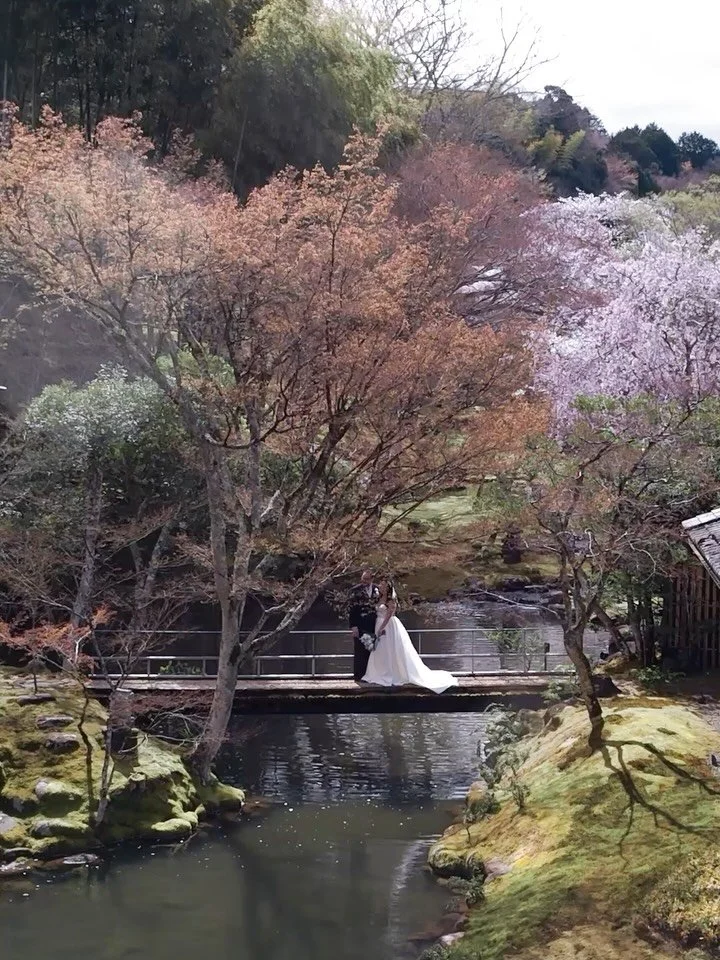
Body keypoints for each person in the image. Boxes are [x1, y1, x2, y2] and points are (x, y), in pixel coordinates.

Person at [363, 579, 458, 694]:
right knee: (379, 649)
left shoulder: (390, 600)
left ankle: (393, 673)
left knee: (389, 648)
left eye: (383, 585)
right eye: (380, 585)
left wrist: (382, 627)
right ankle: (379, 672)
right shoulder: (378, 598)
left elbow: (389, 615)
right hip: (378, 624)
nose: (380, 586)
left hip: (388, 626)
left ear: (388, 588)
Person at [348, 569, 379, 682]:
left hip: (374, 625)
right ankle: (359, 676)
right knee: (360, 651)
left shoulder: (377, 589)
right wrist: (353, 626)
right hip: (360, 625)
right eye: (363, 579)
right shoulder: (355, 590)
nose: (364, 581)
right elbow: (351, 610)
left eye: (367, 579)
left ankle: (370, 675)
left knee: (372, 650)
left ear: (372, 579)